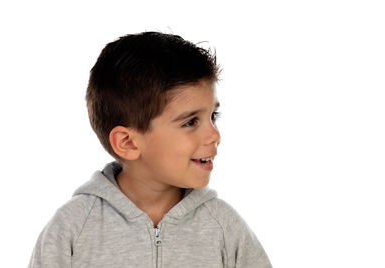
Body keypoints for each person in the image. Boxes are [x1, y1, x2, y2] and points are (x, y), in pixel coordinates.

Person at [28, 32, 272, 268]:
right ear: (128, 143)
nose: (214, 135)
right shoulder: (72, 228)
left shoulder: (225, 228)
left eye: (213, 116)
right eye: (190, 122)